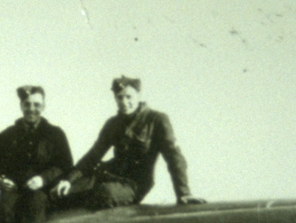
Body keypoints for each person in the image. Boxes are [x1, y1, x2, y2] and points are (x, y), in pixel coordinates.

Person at [53, 76, 203, 209]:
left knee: (105, 194)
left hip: (134, 184)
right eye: (120, 97)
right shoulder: (113, 124)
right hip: (108, 175)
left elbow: (174, 156)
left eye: (129, 97)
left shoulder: (156, 120)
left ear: (139, 95)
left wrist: (183, 193)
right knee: (61, 191)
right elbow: (93, 156)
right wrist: (68, 180)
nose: (124, 102)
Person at [0, 85, 73, 223]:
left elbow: (65, 165)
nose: (32, 108)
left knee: (36, 203)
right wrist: (1, 179)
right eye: (27, 104)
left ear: (44, 106)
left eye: (37, 104)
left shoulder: (55, 134)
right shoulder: (7, 135)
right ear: (21, 106)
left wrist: (43, 179)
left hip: (41, 189)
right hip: (14, 188)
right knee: (5, 205)